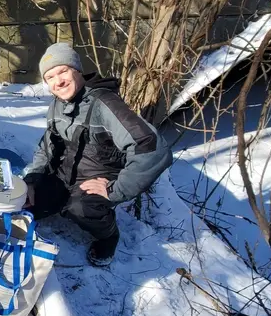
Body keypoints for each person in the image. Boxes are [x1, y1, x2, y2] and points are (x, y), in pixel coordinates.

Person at [22, 43, 171, 267]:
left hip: (98, 177)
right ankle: (59, 199)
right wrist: (33, 179)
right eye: (50, 76)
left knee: (81, 209)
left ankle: (108, 235)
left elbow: (151, 146)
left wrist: (115, 189)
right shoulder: (57, 105)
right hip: (66, 174)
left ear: (77, 70)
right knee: (25, 201)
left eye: (63, 71)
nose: (58, 81)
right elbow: (46, 146)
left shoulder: (105, 103)